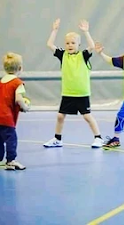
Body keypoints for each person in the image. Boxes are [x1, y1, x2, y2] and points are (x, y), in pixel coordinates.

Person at [43, 18, 104, 148]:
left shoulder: (83, 55)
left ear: (78, 44)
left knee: (87, 116)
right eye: (67, 43)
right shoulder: (62, 55)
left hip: (82, 93)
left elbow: (92, 46)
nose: (70, 45)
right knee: (60, 116)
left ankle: (98, 138)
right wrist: (54, 30)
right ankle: (57, 139)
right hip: (68, 93)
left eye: (73, 43)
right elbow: (49, 44)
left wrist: (86, 32)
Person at [0, 52, 30, 170]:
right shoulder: (17, 83)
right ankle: (11, 161)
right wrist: (25, 107)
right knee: (11, 138)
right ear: (20, 68)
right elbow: (18, 99)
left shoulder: (0, 82)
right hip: (6, 116)